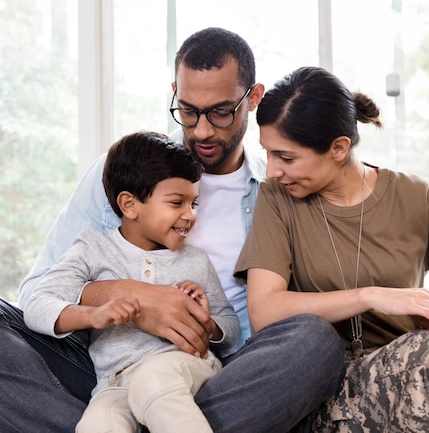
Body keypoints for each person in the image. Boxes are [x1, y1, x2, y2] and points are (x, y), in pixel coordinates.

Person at [0, 28, 345, 433]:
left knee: (315, 341)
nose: (201, 130)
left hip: (213, 374)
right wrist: (137, 300)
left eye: (220, 112)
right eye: (187, 110)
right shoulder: (123, 170)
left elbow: (242, 328)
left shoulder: (279, 190)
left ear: (253, 98)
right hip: (106, 373)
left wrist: (207, 326)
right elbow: (38, 292)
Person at [235, 65, 429, 433]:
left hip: (412, 370)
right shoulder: (278, 199)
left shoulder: (417, 196)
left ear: (338, 148)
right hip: (338, 393)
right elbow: (264, 312)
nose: (272, 170)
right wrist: (370, 296)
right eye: (269, 154)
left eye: (286, 157)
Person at [24, 131, 241, 433]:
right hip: (115, 382)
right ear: (129, 204)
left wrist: (208, 324)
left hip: (181, 367)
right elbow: (37, 305)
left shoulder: (195, 261)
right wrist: (92, 315)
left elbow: (230, 326)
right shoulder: (92, 249)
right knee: (96, 426)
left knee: (152, 382)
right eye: (177, 202)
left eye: (194, 204)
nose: (190, 215)